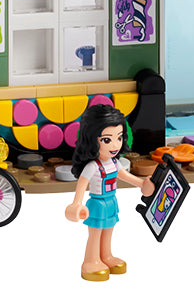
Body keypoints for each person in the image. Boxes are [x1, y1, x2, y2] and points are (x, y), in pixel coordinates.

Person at [64, 105, 154, 281]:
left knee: (108, 231)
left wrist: (142, 184)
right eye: (107, 140)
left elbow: (125, 176)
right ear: (92, 139)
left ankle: (106, 256)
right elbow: (82, 184)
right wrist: (76, 203)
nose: (115, 145)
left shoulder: (114, 163)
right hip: (97, 204)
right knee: (95, 234)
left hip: (111, 202)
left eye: (119, 138)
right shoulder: (92, 166)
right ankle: (90, 261)